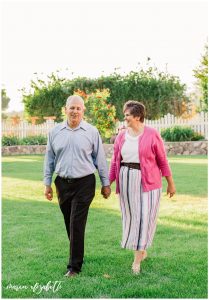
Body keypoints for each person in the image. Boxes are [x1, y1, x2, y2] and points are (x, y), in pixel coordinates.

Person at [44, 95, 111, 277]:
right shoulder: (55, 132)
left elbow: (100, 159)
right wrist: (47, 183)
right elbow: (49, 159)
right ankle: (78, 254)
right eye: (71, 108)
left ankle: (74, 267)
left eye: (78, 108)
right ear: (65, 109)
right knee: (69, 222)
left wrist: (106, 183)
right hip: (62, 183)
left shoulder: (91, 131)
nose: (75, 111)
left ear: (83, 111)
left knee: (76, 222)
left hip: (85, 182)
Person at [109, 100, 176, 274]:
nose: (125, 118)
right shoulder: (121, 136)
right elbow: (115, 162)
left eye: (127, 115)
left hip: (149, 183)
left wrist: (170, 183)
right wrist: (108, 183)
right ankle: (141, 250)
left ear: (138, 116)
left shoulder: (152, 134)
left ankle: (136, 261)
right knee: (132, 218)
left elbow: (162, 160)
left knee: (144, 218)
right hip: (126, 180)